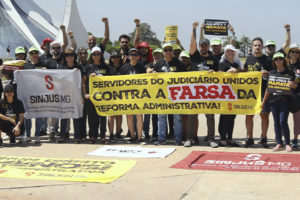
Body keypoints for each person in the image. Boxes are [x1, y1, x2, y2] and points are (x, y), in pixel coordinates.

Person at [189, 21, 219, 148]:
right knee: (192, 115)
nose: (204, 47)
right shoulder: (194, 56)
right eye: (202, 45)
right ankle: (190, 138)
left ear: (209, 47)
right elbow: (192, 44)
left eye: (206, 46)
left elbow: (220, 74)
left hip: (209, 92)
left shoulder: (214, 58)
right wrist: (194, 29)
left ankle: (211, 138)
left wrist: (215, 73)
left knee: (210, 116)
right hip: (194, 91)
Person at [262, 52, 298, 152]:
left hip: (285, 101)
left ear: (284, 60)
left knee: (283, 122)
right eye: (276, 59)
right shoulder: (272, 73)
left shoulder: (289, 72)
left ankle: (287, 143)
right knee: (276, 123)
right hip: (273, 102)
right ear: (274, 61)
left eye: (280, 58)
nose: (278, 60)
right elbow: (268, 89)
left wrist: (293, 85)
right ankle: (279, 143)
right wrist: (263, 102)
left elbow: (295, 86)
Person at [153, 43, 185, 145]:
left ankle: (178, 138)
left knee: (178, 117)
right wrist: (150, 71)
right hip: (162, 95)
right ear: (162, 52)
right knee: (161, 117)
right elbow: (151, 74)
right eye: (165, 50)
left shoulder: (179, 63)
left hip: (176, 95)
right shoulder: (158, 64)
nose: (168, 52)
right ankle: (161, 138)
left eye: (170, 50)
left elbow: (186, 77)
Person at [244, 37, 273, 148]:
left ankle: (264, 138)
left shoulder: (267, 60)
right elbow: (245, 72)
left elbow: (273, 73)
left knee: (264, 115)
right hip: (250, 93)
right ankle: (250, 138)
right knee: (249, 116)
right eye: (255, 45)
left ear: (262, 47)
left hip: (263, 91)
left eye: (259, 45)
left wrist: (268, 73)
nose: (257, 47)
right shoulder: (249, 59)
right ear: (252, 47)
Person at [82, 47, 111, 144]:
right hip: (91, 96)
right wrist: (85, 94)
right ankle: (92, 136)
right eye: (94, 54)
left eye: (98, 54)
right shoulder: (88, 67)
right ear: (92, 56)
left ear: (101, 55)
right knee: (91, 117)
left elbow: (111, 80)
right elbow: (83, 82)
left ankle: (103, 136)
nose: (96, 56)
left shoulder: (106, 67)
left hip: (103, 97)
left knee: (103, 117)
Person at [120, 48, 146, 144]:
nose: (133, 56)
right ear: (129, 56)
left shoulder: (141, 67)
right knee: (129, 116)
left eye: (135, 54)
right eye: (132, 54)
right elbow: (119, 82)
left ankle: (139, 138)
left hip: (139, 95)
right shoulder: (124, 68)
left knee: (139, 115)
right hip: (128, 95)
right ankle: (132, 136)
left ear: (138, 56)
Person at [56, 48, 82, 143]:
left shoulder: (78, 67)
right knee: (64, 116)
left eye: (71, 55)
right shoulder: (62, 68)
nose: (69, 57)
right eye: (67, 55)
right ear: (65, 57)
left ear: (74, 56)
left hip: (75, 95)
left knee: (76, 116)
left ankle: (77, 137)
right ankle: (63, 136)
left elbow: (82, 82)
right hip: (65, 95)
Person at [218, 45, 241, 147]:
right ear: (225, 53)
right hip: (225, 95)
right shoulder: (222, 64)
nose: (230, 53)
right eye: (228, 51)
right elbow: (219, 76)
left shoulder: (236, 64)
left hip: (234, 94)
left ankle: (230, 138)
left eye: (232, 51)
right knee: (225, 117)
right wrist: (228, 72)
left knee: (232, 117)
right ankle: (223, 139)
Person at [22, 46, 45, 143]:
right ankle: (28, 135)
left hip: (39, 93)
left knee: (38, 116)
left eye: (35, 52)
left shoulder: (42, 64)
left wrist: (46, 70)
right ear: (29, 55)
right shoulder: (26, 66)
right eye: (32, 53)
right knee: (28, 116)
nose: (34, 54)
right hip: (28, 94)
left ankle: (37, 135)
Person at [179, 51, 201, 147]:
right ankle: (185, 135)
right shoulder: (178, 67)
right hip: (181, 95)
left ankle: (194, 136)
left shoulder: (195, 66)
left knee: (194, 117)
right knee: (183, 116)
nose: (184, 60)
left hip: (194, 95)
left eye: (186, 58)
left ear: (189, 59)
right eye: (182, 58)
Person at [285, 43, 300, 148]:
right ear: (289, 53)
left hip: (296, 96)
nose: (294, 53)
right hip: (284, 96)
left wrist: (296, 86)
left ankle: (295, 139)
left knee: (297, 119)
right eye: (292, 51)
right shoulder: (283, 64)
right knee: (282, 119)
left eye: (297, 52)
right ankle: (284, 140)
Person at [108, 51, 124, 141]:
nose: (115, 59)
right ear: (110, 58)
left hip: (121, 94)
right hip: (110, 94)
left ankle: (118, 133)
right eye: (113, 57)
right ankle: (110, 133)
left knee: (119, 115)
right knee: (111, 115)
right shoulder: (108, 68)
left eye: (117, 57)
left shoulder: (123, 68)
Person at [77, 47, 89, 141]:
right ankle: (82, 135)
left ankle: (93, 133)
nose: (83, 55)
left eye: (85, 53)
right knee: (81, 116)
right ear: (78, 55)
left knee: (92, 116)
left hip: (89, 93)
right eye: (81, 53)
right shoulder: (76, 66)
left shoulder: (90, 65)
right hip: (78, 94)